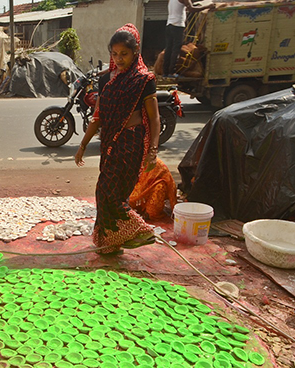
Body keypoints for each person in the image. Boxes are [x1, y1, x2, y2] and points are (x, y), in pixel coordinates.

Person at [75, 24, 161, 255]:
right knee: (105, 193)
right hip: (110, 144)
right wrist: (83, 145)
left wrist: (152, 151)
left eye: (124, 53)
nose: (119, 58)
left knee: (110, 193)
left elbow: (154, 120)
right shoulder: (107, 81)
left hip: (131, 143)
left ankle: (140, 231)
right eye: (114, 54)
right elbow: (98, 116)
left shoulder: (143, 80)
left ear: (135, 52)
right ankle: (110, 244)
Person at [164, 0, 212, 76]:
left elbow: (181, 8)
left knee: (169, 48)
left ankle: (165, 72)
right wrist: (207, 7)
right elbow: (192, 9)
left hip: (169, 25)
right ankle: (172, 72)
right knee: (176, 48)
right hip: (178, 26)